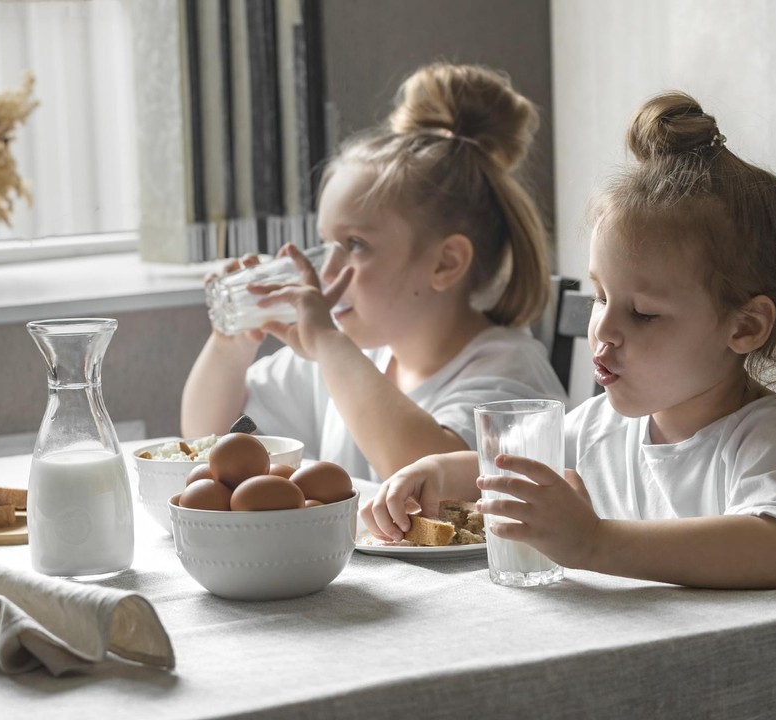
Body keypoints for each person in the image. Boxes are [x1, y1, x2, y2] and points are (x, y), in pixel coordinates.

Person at [361, 91, 776, 590]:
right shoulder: (598, 427)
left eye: (643, 313)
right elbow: (510, 467)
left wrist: (594, 542)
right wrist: (436, 472)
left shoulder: (774, 436)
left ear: (744, 327)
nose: (604, 330)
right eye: (599, 297)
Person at [181, 63, 567, 482]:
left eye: (355, 245)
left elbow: (426, 476)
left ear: (446, 263)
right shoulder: (354, 352)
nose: (325, 271)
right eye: (325, 243)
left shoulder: (510, 376)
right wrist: (232, 344)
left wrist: (329, 344)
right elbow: (208, 439)